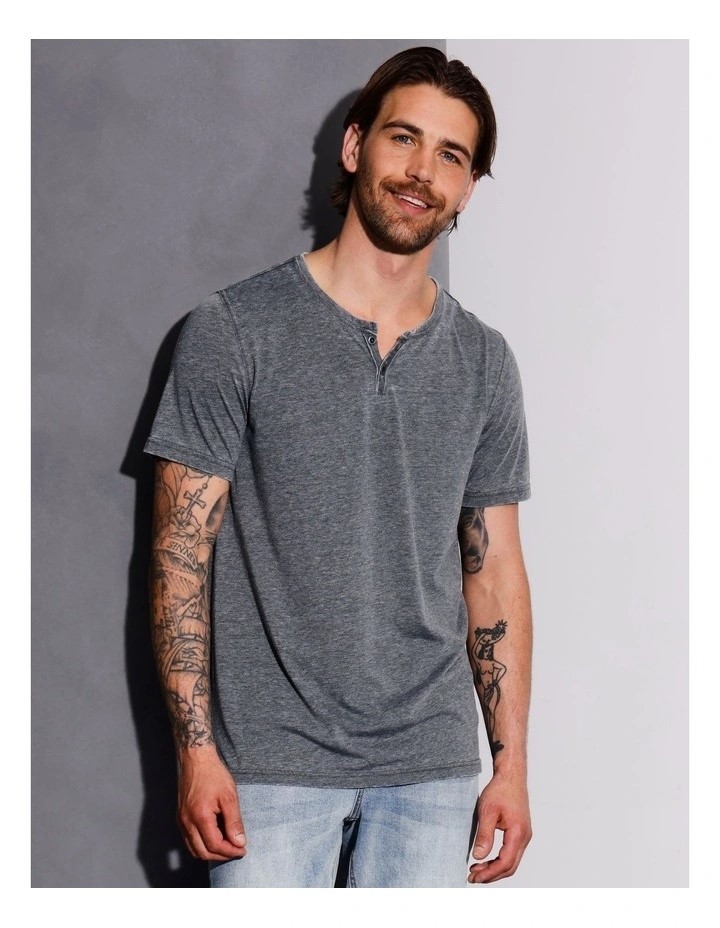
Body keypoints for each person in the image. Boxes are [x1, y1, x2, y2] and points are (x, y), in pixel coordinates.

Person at [145, 45, 533, 888]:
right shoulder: (233, 330)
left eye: (451, 155)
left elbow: (493, 570)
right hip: (269, 764)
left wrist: (510, 768)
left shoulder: (484, 361)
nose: (422, 172)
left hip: (431, 768)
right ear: (356, 146)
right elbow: (180, 557)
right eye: (404, 138)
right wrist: (196, 752)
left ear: (468, 187)